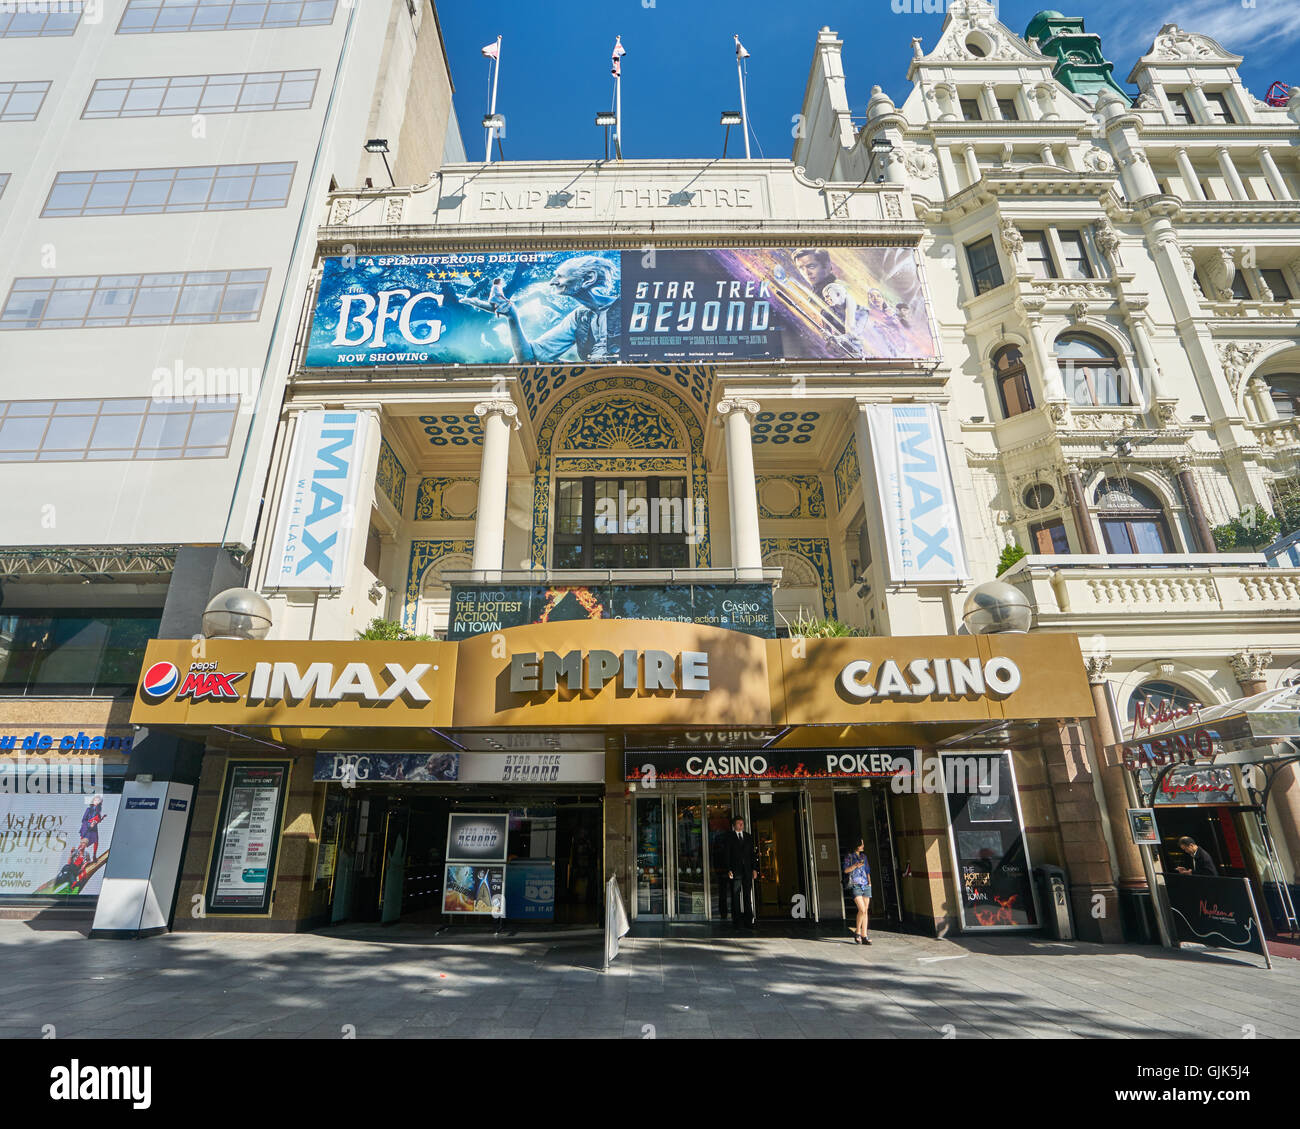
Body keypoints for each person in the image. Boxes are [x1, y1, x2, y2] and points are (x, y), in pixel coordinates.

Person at [499, 255, 620, 363]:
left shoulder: (625, 306)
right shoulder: (579, 316)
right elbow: (527, 358)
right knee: (514, 360)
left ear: (589, 278)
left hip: (622, 376)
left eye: (560, 276)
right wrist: (511, 316)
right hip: (591, 376)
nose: (552, 282)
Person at [721, 817, 758, 929]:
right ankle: (737, 921)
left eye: (742, 823)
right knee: (735, 896)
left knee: (747, 896)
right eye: (739, 823)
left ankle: (749, 920)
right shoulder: (729, 837)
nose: (741, 825)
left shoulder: (748, 836)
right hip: (735, 871)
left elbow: (752, 854)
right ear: (734, 825)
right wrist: (728, 869)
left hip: (747, 871)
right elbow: (727, 854)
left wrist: (754, 869)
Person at [843, 838, 873, 945]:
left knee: (865, 911)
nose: (863, 846)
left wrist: (869, 882)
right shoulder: (849, 856)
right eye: (861, 844)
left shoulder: (864, 856)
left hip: (865, 884)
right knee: (862, 909)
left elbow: (867, 870)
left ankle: (864, 935)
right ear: (856, 845)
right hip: (855, 885)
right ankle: (857, 932)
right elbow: (845, 870)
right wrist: (855, 865)